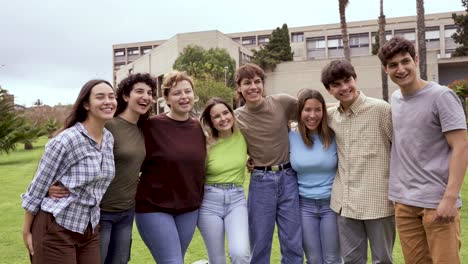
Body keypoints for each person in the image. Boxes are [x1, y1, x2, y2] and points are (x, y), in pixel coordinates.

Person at [48, 73, 156, 264]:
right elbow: (62, 154)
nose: (146, 96)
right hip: (100, 212)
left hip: (127, 210)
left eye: (149, 92)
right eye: (139, 91)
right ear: (124, 96)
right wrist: (50, 185)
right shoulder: (108, 125)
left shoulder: (143, 128)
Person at [378, 36, 468, 264]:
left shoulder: (442, 97)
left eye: (405, 61)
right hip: (405, 204)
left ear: (416, 60)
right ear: (385, 69)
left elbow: (461, 146)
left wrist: (449, 198)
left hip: (437, 203)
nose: (400, 69)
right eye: (393, 65)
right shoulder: (396, 99)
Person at [21, 79, 117, 263]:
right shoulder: (65, 141)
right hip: (56, 227)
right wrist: (26, 231)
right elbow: (37, 188)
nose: (108, 101)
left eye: (111, 97)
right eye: (100, 97)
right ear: (86, 104)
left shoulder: (108, 139)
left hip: (89, 229)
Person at [321, 59, 395, 264]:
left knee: (383, 260)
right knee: (352, 260)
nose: (344, 88)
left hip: (379, 203)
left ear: (355, 79)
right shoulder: (329, 116)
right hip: (345, 204)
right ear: (329, 90)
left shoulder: (382, 110)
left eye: (348, 80)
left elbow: (401, 151)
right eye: (336, 85)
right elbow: (303, 116)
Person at [135, 70, 206, 263]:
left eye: (188, 91)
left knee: (176, 260)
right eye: (176, 93)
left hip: (188, 209)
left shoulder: (199, 127)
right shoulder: (151, 126)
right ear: (166, 98)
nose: (184, 97)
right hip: (154, 208)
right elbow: (128, 157)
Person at [234, 63, 303, 264]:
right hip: (261, 181)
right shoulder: (236, 118)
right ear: (239, 87)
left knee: (292, 243)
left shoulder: (282, 102)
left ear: (263, 85)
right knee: (260, 243)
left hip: (288, 177)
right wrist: (247, 158)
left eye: (257, 82)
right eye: (247, 83)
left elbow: (313, 110)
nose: (253, 87)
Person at [289, 89, 340, 264]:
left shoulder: (334, 135)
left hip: (331, 206)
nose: (312, 115)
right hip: (304, 207)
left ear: (324, 111)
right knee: (313, 259)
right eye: (307, 110)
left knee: (332, 259)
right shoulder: (290, 138)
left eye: (317, 109)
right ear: (299, 112)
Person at [197, 97, 250, 264]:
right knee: (217, 260)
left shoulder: (244, 135)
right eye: (216, 116)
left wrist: (253, 161)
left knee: (240, 253)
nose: (223, 119)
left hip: (236, 200)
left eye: (226, 113)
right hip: (209, 203)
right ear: (211, 122)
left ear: (232, 113)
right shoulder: (205, 143)